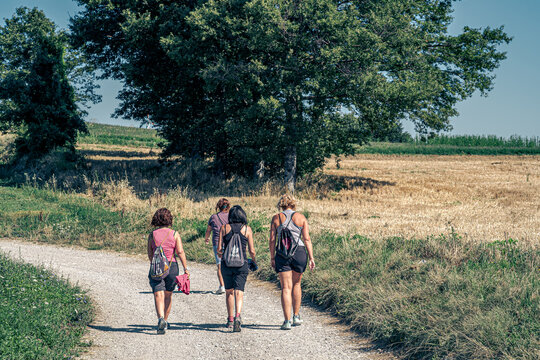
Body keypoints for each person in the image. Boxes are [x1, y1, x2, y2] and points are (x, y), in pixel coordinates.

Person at [269, 195, 315, 330]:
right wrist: (311, 257)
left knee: (285, 288)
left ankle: (287, 320)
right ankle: (296, 315)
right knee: (297, 284)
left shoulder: (276, 218)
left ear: (281, 204)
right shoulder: (301, 218)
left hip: (282, 253)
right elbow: (307, 239)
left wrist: (272, 257)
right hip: (299, 252)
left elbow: (272, 240)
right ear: (293, 204)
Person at [147, 208, 189, 334]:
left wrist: (154, 265)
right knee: (168, 295)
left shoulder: (152, 235)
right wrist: (186, 268)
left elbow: (150, 254)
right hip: (172, 266)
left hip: (157, 267)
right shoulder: (175, 234)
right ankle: (165, 320)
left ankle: (160, 318)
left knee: (158, 293)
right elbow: (180, 252)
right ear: (169, 219)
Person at [217, 205, 257, 332]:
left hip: (227, 264)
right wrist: (254, 261)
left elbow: (219, 250)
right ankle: (238, 316)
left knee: (229, 292)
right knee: (239, 291)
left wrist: (223, 254)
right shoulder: (247, 229)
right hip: (242, 264)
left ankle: (230, 320)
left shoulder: (223, 228)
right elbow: (252, 250)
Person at [204, 198, 230, 294]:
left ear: (218, 206)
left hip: (217, 243)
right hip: (229, 242)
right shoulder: (231, 216)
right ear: (228, 206)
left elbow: (208, 230)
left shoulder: (214, 217)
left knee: (219, 265)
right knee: (229, 264)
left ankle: (222, 286)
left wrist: (206, 238)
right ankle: (230, 285)